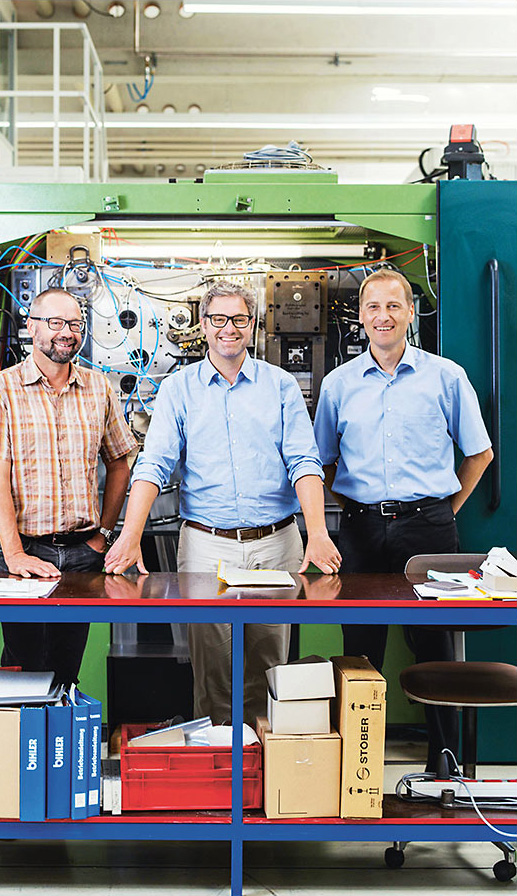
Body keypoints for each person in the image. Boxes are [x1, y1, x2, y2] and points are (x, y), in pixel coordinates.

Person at [105, 280, 341, 726]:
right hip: (206, 546)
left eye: (238, 319)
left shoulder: (281, 385)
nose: (227, 329)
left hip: (276, 542)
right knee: (212, 668)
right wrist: (130, 536)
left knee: (269, 665)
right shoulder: (179, 389)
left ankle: (259, 774)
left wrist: (319, 536)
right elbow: (153, 464)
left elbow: (304, 462)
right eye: (218, 319)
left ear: (251, 326)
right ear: (203, 325)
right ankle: (216, 773)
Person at [314, 267, 493, 772]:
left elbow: (479, 454)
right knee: (359, 652)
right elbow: (322, 462)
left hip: (430, 529)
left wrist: (444, 512)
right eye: (374, 307)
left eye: (394, 306)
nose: (383, 316)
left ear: (411, 314)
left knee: (436, 649)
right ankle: (357, 770)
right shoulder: (338, 384)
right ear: (361, 316)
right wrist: (359, 506)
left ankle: (447, 764)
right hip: (362, 530)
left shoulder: (446, 376)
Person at [0, 288, 137, 686]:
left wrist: (104, 536)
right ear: (32, 326)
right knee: (22, 668)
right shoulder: (1, 388)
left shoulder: (99, 388)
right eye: (56, 323)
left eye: (75, 324)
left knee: (66, 670)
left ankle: (61, 744)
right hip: (26, 551)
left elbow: (120, 461)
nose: (67, 333)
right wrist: (13, 553)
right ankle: (24, 748)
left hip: (83, 554)